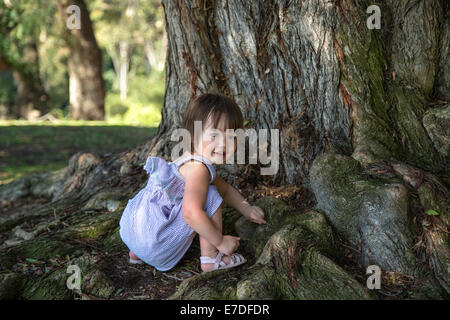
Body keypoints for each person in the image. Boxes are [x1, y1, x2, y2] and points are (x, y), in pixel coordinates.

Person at [119, 93, 266, 272]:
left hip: (133, 234)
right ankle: (211, 257)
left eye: (231, 137)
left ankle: (137, 253)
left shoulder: (186, 161)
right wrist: (220, 241)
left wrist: (247, 209)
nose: (223, 144)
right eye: (214, 135)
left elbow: (226, 189)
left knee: (210, 191)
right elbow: (190, 212)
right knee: (210, 195)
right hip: (157, 244)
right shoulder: (199, 169)